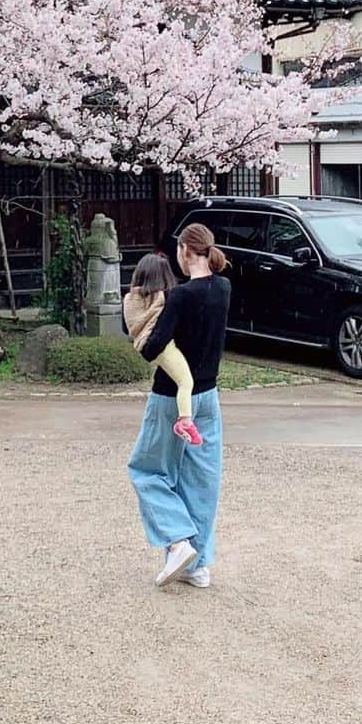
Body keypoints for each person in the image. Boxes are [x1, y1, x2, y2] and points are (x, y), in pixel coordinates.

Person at [127, 222, 230, 589]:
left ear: (186, 251)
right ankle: (198, 566)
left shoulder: (181, 297)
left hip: (170, 398)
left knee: (147, 470)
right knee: (202, 481)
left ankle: (177, 541)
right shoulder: (223, 287)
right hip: (209, 397)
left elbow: (153, 346)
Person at [123, 254, 203, 446]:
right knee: (185, 381)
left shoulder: (130, 298)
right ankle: (185, 421)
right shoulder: (163, 297)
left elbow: (127, 327)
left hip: (143, 345)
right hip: (163, 347)